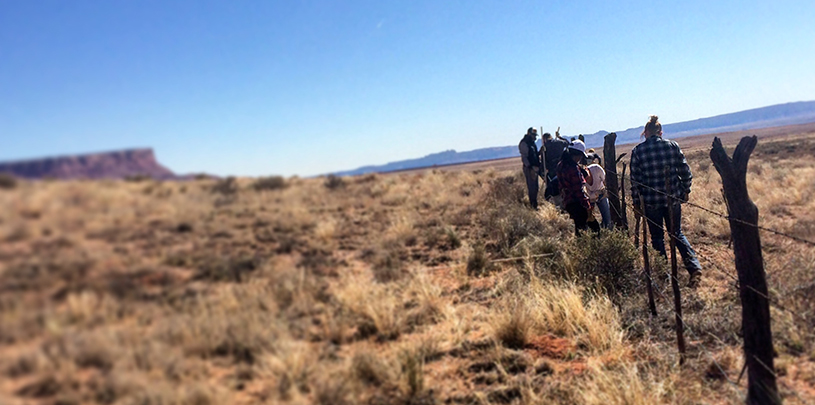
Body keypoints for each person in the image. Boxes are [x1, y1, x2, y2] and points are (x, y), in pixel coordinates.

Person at [630, 115, 702, 287]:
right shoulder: (672, 146)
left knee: (657, 238)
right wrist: (686, 190)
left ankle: (664, 277)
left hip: (651, 202)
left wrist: (636, 204)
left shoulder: (638, 151)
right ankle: (694, 268)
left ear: (646, 133)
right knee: (676, 233)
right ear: (660, 132)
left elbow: (635, 181)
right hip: (672, 200)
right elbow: (685, 171)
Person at [556, 140, 600, 235]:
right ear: (577, 155)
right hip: (578, 203)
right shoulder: (573, 169)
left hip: (568, 202)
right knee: (594, 230)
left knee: (579, 229)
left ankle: (580, 247)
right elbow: (578, 190)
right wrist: (587, 207)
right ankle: (590, 248)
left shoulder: (561, 165)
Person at [541, 130, 569, 206]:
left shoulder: (544, 147)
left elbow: (543, 161)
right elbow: (567, 143)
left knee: (553, 187)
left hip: (552, 170)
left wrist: (543, 172)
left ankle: (555, 204)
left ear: (544, 139)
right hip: (562, 168)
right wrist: (560, 137)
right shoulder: (559, 142)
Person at [585, 152, 612, 229]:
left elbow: (605, 181)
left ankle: (609, 233)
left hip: (601, 194)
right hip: (590, 197)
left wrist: (604, 192)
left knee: (607, 217)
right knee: (589, 218)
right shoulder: (581, 173)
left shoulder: (597, 168)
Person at [518, 127, 541, 210]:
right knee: (532, 187)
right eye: (533, 135)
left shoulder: (532, 143)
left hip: (535, 168)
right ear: (529, 134)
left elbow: (534, 155)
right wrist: (530, 167)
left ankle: (535, 204)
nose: (535, 137)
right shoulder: (524, 143)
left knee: (536, 187)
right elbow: (524, 157)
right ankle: (533, 205)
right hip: (530, 169)